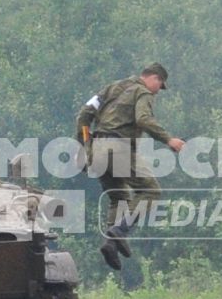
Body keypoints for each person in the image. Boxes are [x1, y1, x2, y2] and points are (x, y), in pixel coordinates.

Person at [77, 63, 182, 270]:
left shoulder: (112, 88)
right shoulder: (143, 93)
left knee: (119, 197)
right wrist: (168, 139)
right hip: (118, 148)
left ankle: (111, 242)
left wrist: (83, 145)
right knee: (151, 191)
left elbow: (84, 114)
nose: (158, 91)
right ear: (154, 78)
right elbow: (143, 119)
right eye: (159, 86)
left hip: (96, 150)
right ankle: (119, 232)